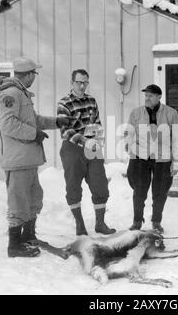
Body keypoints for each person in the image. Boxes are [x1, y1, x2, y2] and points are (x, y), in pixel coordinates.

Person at [0, 57, 73, 258]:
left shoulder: (21, 94)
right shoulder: (10, 94)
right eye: (34, 74)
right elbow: (7, 124)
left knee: (33, 199)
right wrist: (34, 133)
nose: (34, 78)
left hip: (27, 158)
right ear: (28, 74)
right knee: (18, 202)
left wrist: (57, 121)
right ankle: (14, 245)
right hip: (17, 159)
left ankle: (28, 236)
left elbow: (34, 120)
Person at [57, 69, 116, 236]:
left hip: (93, 148)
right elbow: (65, 131)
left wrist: (98, 141)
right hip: (72, 148)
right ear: (72, 83)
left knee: (101, 186)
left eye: (85, 82)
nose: (82, 86)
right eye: (79, 82)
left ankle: (100, 223)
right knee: (73, 187)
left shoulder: (91, 100)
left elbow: (97, 123)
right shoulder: (64, 103)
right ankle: (80, 224)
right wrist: (84, 141)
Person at [125, 84, 178, 234]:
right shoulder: (136, 113)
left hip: (162, 158)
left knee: (160, 192)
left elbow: (177, 138)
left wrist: (176, 161)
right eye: (146, 95)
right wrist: (131, 150)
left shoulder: (171, 114)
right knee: (139, 190)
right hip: (140, 158)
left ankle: (156, 221)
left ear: (159, 97)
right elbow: (129, 134)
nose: (147, 98)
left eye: (150, 95)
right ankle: (137, 221)